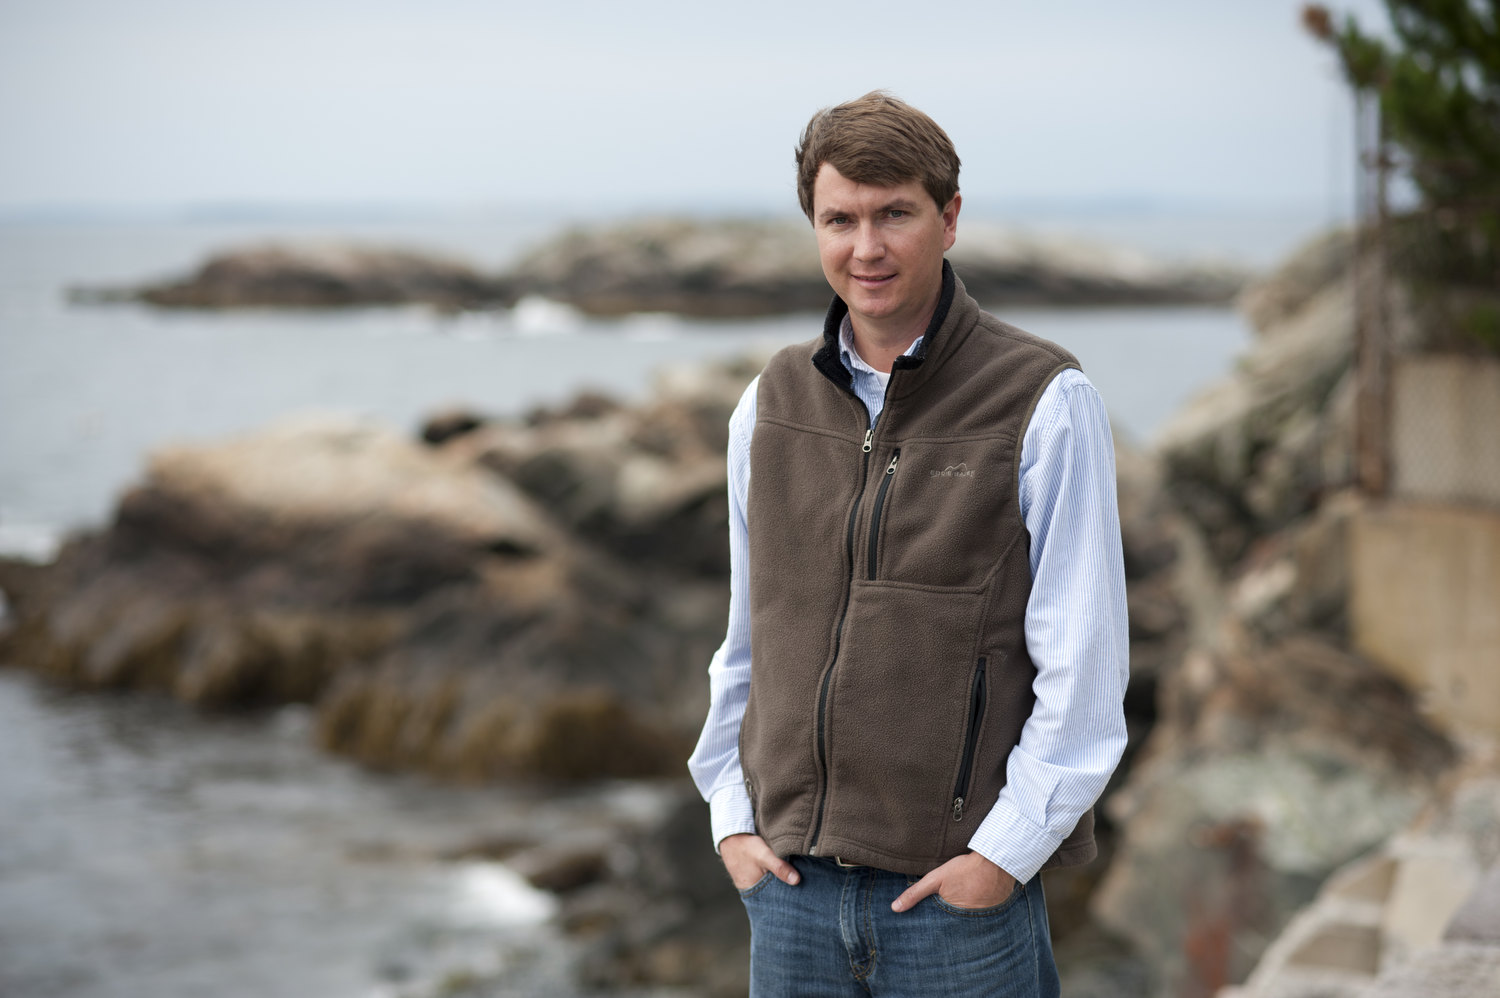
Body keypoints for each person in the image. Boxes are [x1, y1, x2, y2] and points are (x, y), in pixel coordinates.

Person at [687, 91, 1129, 997]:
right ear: (814, 225)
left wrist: (997, 863)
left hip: (954, 905)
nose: (867, 248)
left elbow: (1084, 676)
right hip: (790, 890)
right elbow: (745, 644)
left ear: (949, 218)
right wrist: (731, 821)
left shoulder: (1044, 401)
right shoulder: (767, 406)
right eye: (839, 219)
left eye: (895, 214)